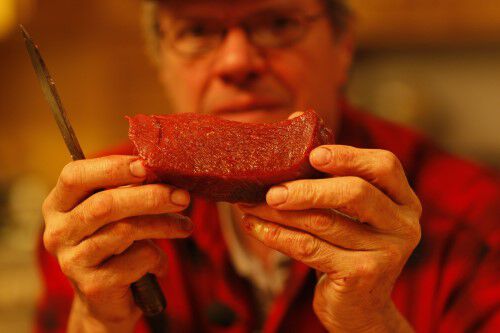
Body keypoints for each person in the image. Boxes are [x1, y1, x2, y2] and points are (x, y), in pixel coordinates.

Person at [36, 0, 499, 332]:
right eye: (196, 31)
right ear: (161, 63)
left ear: (344, 48)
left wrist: (371, 321)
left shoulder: (473, 214)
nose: (237, 62)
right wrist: (99, 320)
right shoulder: (96, 215)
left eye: (278, 23)